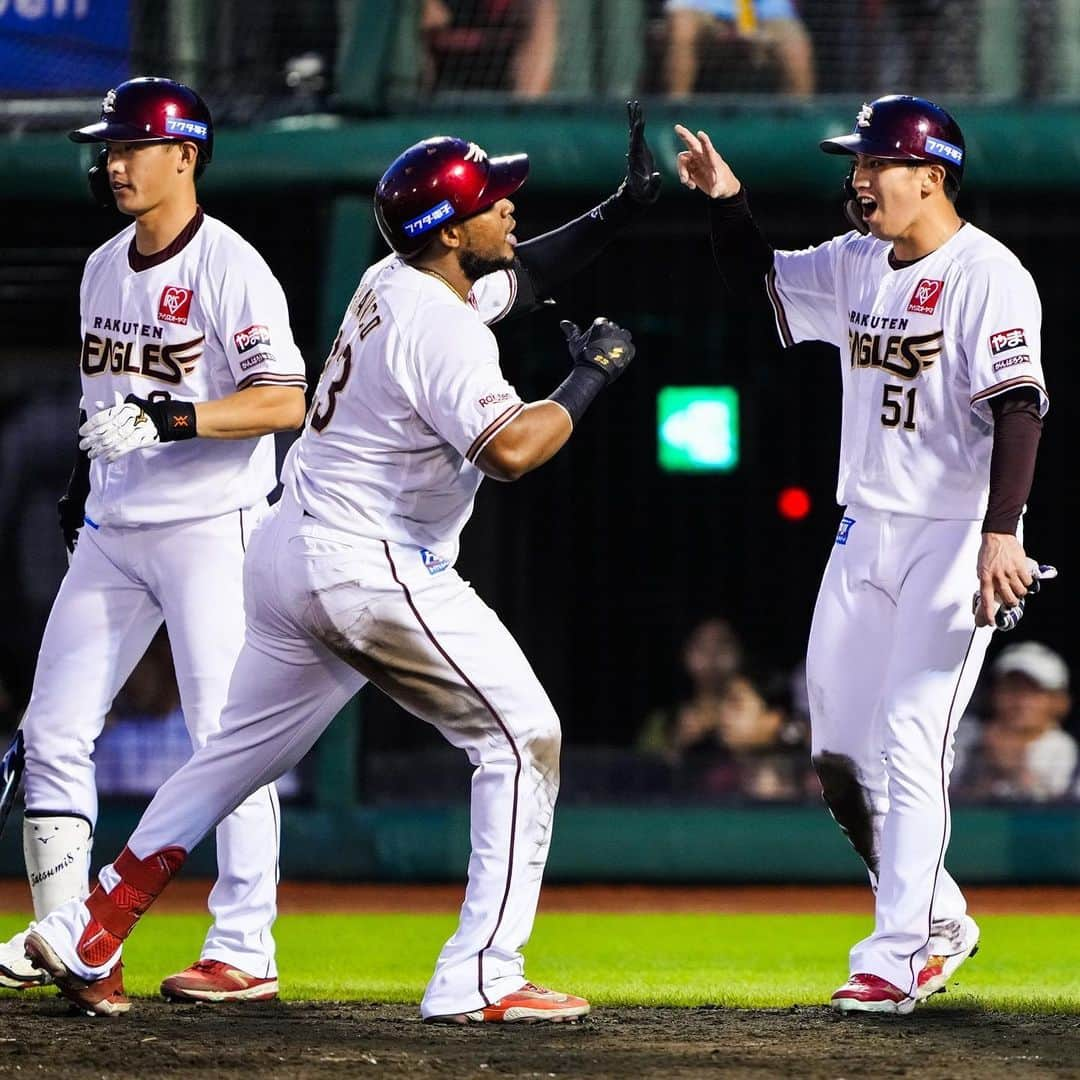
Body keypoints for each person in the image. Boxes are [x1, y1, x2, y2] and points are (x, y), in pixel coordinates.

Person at [21, 107, 661, 1021]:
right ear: (448, 231)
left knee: (228, 759)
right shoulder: (441, 328)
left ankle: (96, 926)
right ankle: (483, 972)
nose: (511, 210)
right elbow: (512, 449)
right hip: (371, 563)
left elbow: (525, 272)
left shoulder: (398, 278)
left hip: (290, 552)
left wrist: (619, 210)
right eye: (494, 201)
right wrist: (591, 375)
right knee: (523, 740)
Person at [675, 94, 1050, 1014]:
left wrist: (1004, 530)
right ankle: (939, 914)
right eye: (857, 161)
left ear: (932, 175)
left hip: (955, 536)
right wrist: (726, 199)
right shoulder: (853, 261)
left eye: (877, 161)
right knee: (841, 759)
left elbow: (1020, 404)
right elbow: (757, 282)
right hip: (862, 533)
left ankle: (897, 952)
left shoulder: (987, 273)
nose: (859, 176)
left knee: (913, 737)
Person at [0, 76, 309, 1006]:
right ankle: (81, 952)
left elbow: (284, 399)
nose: (115, 161)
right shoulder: (102, 267)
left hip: (213, 526)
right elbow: (105, 409)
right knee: (52, 728)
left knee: (227, 737)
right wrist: (77, 489)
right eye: (111, 146)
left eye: (132, 145)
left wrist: (175, 418)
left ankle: (245, 948)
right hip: (114, 530)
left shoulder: (230, 266)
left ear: (186, 155)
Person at [954, 641, 1076, 802]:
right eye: (1012, 689)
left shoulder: (1063, 749)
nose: (1021, 702)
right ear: (992, 694)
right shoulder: (961, 736)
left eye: (1034, 692)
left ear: (1059, 701)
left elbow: (1058, 817)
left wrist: (1014, 767)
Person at [663, 0, 815, 98]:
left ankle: (795, 123)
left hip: (764, 11)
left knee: (796, 48)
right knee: (683, 29)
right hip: (703, 8)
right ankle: (676, 113)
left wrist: (749, 27)